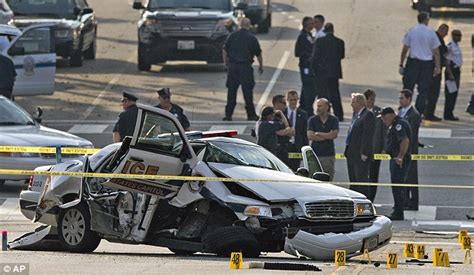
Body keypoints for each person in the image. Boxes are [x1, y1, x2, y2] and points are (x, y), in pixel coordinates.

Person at [400, 12, 441, 116]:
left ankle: (404, 110)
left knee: (408, 88)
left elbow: (405, 49)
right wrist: (437, 66)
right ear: (426, 20)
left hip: (413, 63)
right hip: (426, 64)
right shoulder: (431, 33)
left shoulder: (412, 31)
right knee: (423, 90)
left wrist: (401, 64)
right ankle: (418, 113)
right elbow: (436, 51)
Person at [223, 17, 262, 121]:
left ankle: (228, 114)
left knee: (231, 92)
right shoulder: (251, 38)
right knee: (248, 92)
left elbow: (225, 50)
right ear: (248, 25)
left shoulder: (232, 36)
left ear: (240, 25)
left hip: (233, 67)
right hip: (245, 68)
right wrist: (261, 66)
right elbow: (258, 54)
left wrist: (226, 63)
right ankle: (251, 115)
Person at [381, 107, 412, 220]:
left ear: (390, 116)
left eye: (385, 118)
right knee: (397, 186)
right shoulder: (398, 123)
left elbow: (404, 141)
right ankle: (398, 209)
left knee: (397, 186)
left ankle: (398, 212)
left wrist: (400, 157)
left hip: (399, 161)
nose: (384, 121)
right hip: (395, 158)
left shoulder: (398, 125)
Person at [310, 22, 345, 122]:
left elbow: (315, 57)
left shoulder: (320, 41)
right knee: (335, 93)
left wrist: (313, 69)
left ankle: (324, 113)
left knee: (323, 94)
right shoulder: (339, 42)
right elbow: (341, 55)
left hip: (321, 72)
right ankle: (339, 114)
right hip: (334, 72)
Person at [344, 93, 375, 198]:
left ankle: (364, 204)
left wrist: (364, 152)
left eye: (353, 102)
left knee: (361, 181)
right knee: (353, 181)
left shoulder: (367, 115)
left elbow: (368, 135)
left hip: (360, 155)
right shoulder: (356, 115)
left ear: (360, 103)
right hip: (351, 153)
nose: (351, 104)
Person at [398, 89, 421, 210]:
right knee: (404, 177)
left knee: (412, 177)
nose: (400, 100)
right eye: (399, 98)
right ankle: (405, 201)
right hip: (402, 149)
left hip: (410, 150)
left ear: (408, 99)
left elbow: (411, 135)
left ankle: (414, 202)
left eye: (402, 98)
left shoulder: (414, 115)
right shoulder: (400, 111)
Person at [307, 98, 339, 180]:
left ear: (327, 107)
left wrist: (319, 134)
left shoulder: (334, 120)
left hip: (328, 155)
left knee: (328, 179)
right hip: (315, 155)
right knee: (313, 178)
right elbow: (310, 136)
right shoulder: (312, 120)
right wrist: (327, 136)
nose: (318, 108)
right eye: (317, 106)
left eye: (320, 106)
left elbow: (334, 135)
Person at [364, 89, 385, 202]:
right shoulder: (361, 112)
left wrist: (384, 148)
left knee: (373, 176)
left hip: (376, 150)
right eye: (371, 100)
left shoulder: (379, 112)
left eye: (373, 100)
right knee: (362, 176)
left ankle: (371, 199)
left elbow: (384, 131)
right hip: (363, 150)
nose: (372, 102)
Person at [425, 24, 449, 121]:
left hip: (432, 69)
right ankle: (429, 113)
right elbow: (438, 53)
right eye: (446, 32)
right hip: (434, 70)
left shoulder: (437, 38)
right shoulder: (436, 38)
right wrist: (437, 67)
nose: (446, 34)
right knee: (433, 92)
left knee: (431, 92)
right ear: (441, 29)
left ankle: (428, 112)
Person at [295, 16, 316, 116]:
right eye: (311, 23)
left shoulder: (310, 35)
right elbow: (297, 52)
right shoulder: (302, 36)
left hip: (310, 66)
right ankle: (308, 109)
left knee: (307, 86)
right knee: (308, 86)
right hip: (305, 66)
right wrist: (308, 56)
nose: (313, 25)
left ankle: (303, 105)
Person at [285, 90, 308, 171]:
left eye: (295, 100)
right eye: (291, 100)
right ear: (287, 99)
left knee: (295, 169)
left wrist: (305, 150)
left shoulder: (303, 114)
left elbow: (304, 134)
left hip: (296, 146)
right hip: (284, 147)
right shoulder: (282, 113)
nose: (293, 102)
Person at [444, 29, 463, 121]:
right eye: (457, 35)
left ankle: (449, 112)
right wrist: (450, 74)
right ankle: (448, 114)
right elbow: (447, 62)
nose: (459, 37)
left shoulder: (456, 46)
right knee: (450, 93)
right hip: (451, 71)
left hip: (456, 71)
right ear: (452, 35)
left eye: (460, 35)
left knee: (454, 93)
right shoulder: (450, 46)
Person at [272, 95, 295, 164]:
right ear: (276, 103)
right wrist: (286, 131)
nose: (286, 105)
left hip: (285, 148)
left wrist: (281, 114)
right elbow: (276, 132)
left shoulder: (282, 115)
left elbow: (292, 132)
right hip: (275, 148)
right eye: (284, 103)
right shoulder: (270, 116)